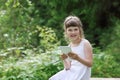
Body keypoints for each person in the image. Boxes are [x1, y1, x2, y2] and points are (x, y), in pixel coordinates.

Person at [49, 15, 93, 80]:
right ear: (66, 32)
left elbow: (90, 64)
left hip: (81, 73)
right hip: (72, 72)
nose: (73, 32)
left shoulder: (85, 43)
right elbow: (68, 67)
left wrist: (78, 58)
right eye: (70, 30)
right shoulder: (68, 47)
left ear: (79, 30)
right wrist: (64, 59)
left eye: (75, 29)